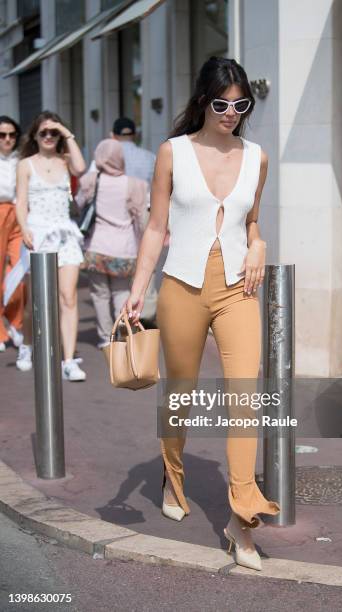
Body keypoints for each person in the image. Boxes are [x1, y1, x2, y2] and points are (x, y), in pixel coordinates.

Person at [124, 56, 280, 571]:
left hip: (238, 289)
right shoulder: (173, 153)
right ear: (202, 102)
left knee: (245, 395)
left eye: (241, 104)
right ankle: (173, 471)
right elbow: (155, 229)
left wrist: (258, 246)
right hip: (182, 287)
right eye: (221, 104)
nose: (231, 113)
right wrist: (137, 291)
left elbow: (252, 222)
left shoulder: (257, 157)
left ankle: (243, 517)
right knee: (181, 394)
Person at [15, 111, 87, 380]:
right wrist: (24, 228)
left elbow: (81, 168)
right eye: (43, 132)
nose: (48, 137)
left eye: (53, 132)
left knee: (68, 297)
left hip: (65, 234)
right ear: (34, 135)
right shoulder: (26, 164)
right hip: (38, 233)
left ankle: (68, 360)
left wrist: (65, 132)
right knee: (35, 300)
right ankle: (27, 344)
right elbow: (20, 202)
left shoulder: (66, 160)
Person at [76, 139, 147, 348]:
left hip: (96, 248)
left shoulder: (89, 180)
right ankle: (124, 334)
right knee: (122, 293)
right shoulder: (136, 184)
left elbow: (79, 205)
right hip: (124, 250)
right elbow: (142, 220)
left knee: (99, 294)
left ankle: (105, 337)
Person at [0, 116, 24, 352]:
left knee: (19, 271)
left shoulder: (22, 159)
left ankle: (15, 322)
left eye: (11, 134)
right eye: (2, 135)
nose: (7, 139)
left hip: (19, 214)